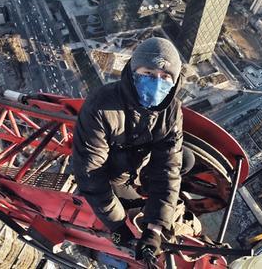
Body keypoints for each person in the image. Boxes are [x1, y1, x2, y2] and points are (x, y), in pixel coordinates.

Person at [72, 37, 194, 262]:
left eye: (166, 77)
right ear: (133, 70)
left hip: (141, 167)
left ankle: (142, 192)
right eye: (148, 73)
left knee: (185, 160)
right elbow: (90, 173)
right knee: (123, 203)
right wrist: (117, 226)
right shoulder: (102, 106)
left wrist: (155, 228)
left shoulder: (171, 110)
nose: (157, 83)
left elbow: (168, 167)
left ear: (174, 82)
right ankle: (132, 197)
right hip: (112, 174)